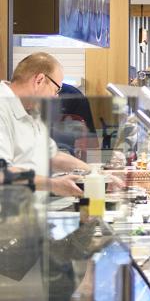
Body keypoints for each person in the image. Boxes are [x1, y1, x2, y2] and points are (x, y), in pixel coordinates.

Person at [0, 53, 86, 196]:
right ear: (39, 80)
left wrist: (94, 173)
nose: (55, 97)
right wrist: (52, 184)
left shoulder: (32, 110)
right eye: (56, 89)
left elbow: (52, 156)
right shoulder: (3, 108)